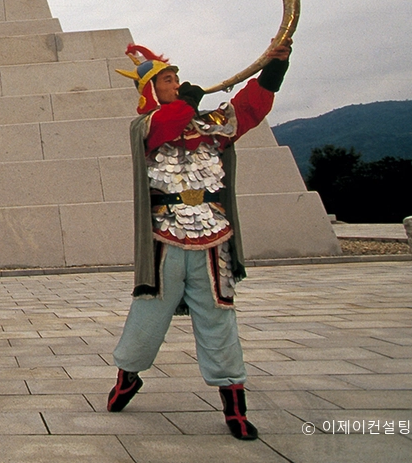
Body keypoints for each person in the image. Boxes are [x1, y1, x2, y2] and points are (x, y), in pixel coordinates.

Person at [106, 42, 292, 441]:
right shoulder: (146, 126)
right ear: (152, 91)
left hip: (214, 235)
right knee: (149, 314)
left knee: (219, 315)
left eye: (176, 78)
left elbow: (248, 110)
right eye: (167, 81)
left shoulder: (207, 123)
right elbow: (169, 123)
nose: (176, 84)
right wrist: (187, 102)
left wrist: (273, 70)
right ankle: (128, 376)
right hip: (165, 235)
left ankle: (234, 404)